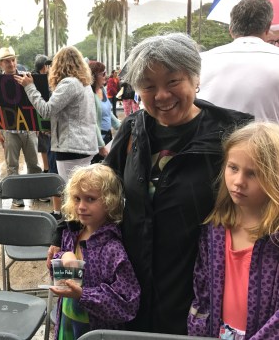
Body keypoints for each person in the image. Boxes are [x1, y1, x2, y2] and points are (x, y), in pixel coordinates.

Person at [49, 33, 253, 335]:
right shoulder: (133, 128)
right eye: (148, 86)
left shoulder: (229, 135)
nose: (161, 95)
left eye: (173, 82)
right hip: (135, 282)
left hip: (197, 286)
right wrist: (64, 229)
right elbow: (98, 187)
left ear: (195, 79)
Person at [188, 122, 279, 340]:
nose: (238, 182)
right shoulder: (215, 229)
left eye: (253, 174)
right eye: (233, 168)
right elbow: (203, 292)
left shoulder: (275, 237)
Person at [50, 163, 140, 339]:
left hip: (95, 331)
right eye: (77, 199)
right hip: (66, 322)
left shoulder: (112, 249)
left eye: (90, 199)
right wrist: (62, 256)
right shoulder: (71, 235)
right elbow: (57, 275)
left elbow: (127, 303)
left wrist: (84, 294)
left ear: (110, 201)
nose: (81, 206)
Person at [15, 46, 99, 183]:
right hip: (85, 146)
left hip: (71, 148)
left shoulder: (69, 83)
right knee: (80, 191)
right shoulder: (84, 84)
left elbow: (46, 111)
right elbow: (73, 115)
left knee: (70, 193)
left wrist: (29, 87)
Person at [198, 0, 279, 122]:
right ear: (267, 28)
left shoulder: (200, 61)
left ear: (231, 29)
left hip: (210, 140)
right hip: (268, 139)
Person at [0, 46, 42, 207]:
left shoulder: (25, 78)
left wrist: (36, 124)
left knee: (34, 163)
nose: (11, 63)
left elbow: (35, 100)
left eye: (13, 60)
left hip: (28, 129)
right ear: (1, 64)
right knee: (12, 165)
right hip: (9, 131)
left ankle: (37, 192)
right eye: (7, 61)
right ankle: (16, 196)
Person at [88, 61, 120, 164]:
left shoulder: (103, 90)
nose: (105, 77)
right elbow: (92, 122)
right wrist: (100, 145)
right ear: (94, 76)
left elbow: (108, 113)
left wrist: (121, 127)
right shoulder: (89, 94)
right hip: (97, 141)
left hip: (107, 137)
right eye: (103, 74)